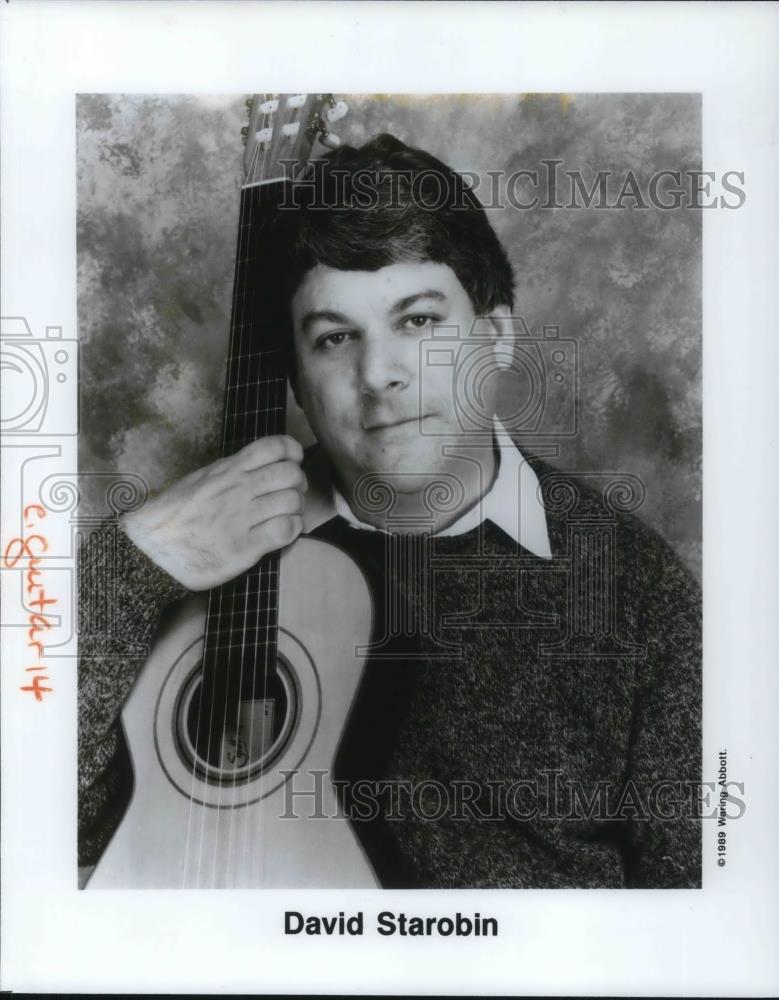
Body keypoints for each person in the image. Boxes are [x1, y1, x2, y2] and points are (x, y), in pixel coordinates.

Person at [78, 133, 702, 888]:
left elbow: (703, 921)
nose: (378, 376)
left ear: (495, 336)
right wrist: (126, 566)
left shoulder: (639, 593)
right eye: (335, 338)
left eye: (417, 322)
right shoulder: (188, 549)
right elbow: (42, 839)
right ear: (296, 382)